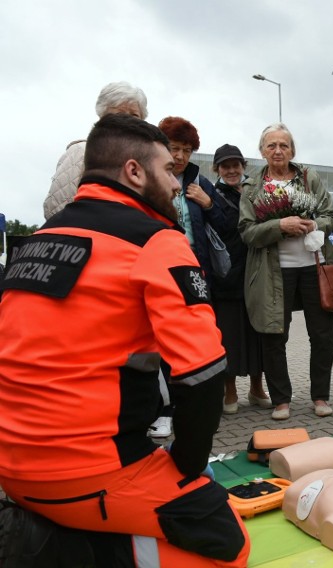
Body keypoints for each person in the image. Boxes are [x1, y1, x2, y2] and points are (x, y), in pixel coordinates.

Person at [0, 114, 249, 566]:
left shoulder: (37, 240)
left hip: (12, 470)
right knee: (228, 544)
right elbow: (204, 373)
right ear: (134, 172)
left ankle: (45, 528)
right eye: (168, 171)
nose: (177, 184)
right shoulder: (156, 241)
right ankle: (58, 551)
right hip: (89, 474)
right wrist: (187, 465)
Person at [239, 123, 333, 420]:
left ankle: (320, 397)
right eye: (271, 146)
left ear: (292, 150)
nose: (278, 150)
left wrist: (314, 224)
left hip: (313, 267)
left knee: (322, 335)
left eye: (283, 145)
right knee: (274, 336)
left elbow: (330, 217)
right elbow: (246, 232)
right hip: (274, 271)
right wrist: (279, 226)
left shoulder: (309, 178)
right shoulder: (252, 187)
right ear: (262, 152)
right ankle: (281, 400)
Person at [149, 116, 229, 438]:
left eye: (186, 149)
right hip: (160, 269)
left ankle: (196, 403)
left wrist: (208, 204)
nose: (180, 156)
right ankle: (164, 409)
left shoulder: (201, 182)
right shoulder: (150, 178)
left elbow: (227, 224)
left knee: (197, 338)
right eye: (174, 148)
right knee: (162, 340)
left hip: (198, 272)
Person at [209, 144, 271, 414]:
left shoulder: (256, 190)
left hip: (256, 272)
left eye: (236, 165)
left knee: (258, 334)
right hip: (226, 276)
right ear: (217, 170)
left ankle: (257, 389)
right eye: (225, 166)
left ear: (243, 166)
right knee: (229, 335)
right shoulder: (211, 194)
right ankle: (229, 390)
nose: (232, 170)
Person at [43, 81, 148, 220]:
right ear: (102, 116)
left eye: (134, 115)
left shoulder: (146, 159)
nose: (127, 120)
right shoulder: (81, 152)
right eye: (119, 113)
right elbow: (56, 207)